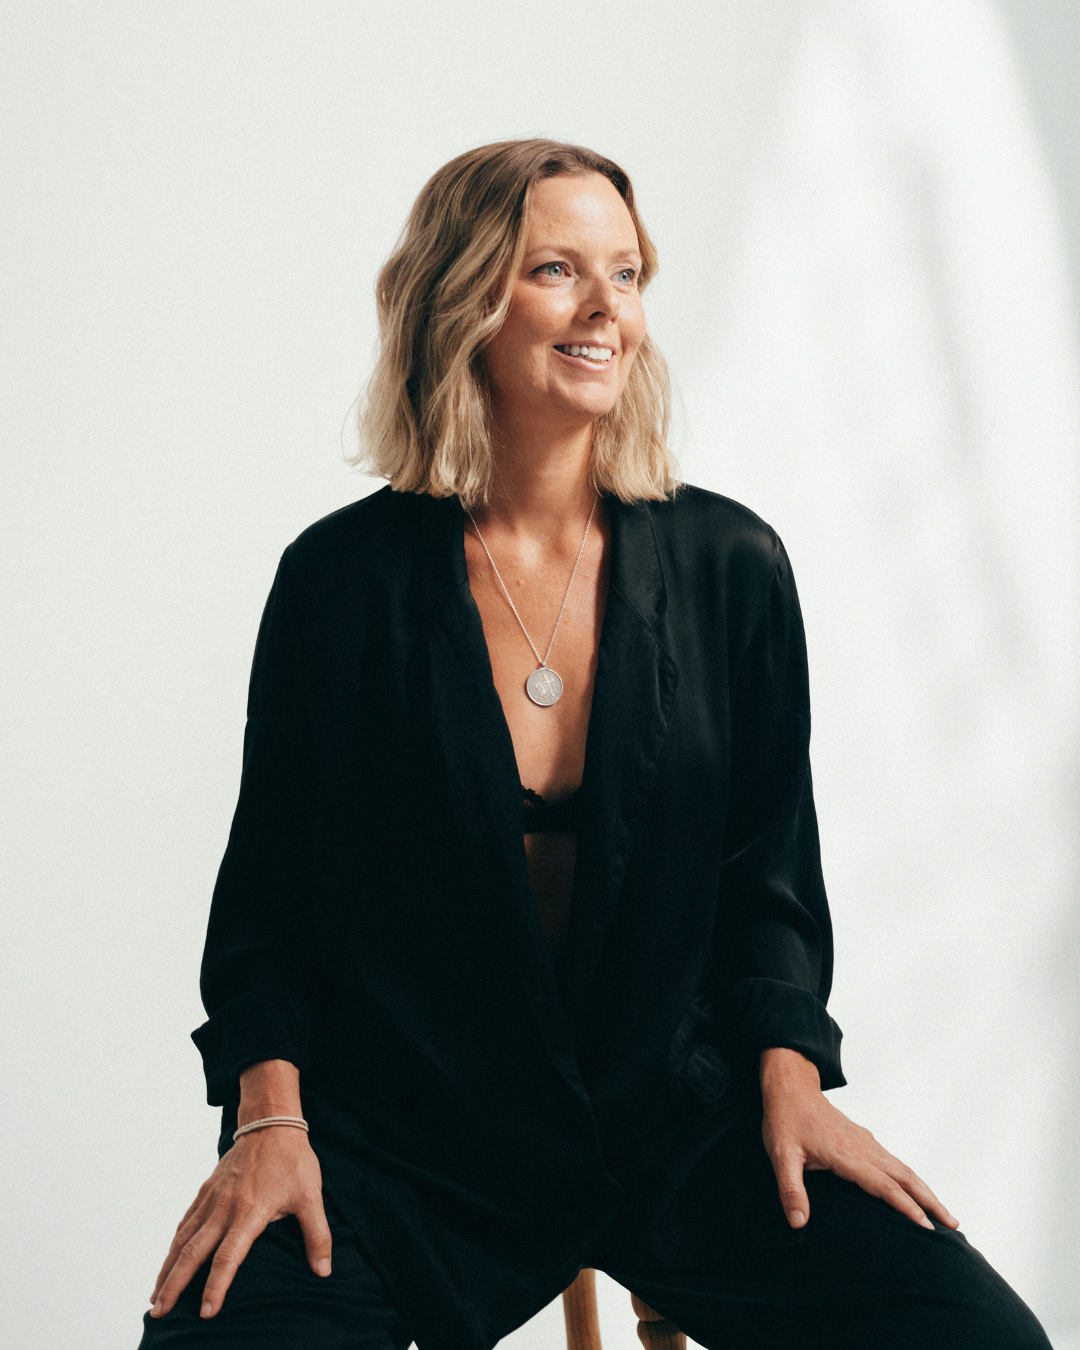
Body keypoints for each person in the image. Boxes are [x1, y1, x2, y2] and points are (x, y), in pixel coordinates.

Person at [140, 139, 1049, 1349]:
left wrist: (791, 1076)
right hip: (403, 1137)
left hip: (675, 1124)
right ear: (463, 302)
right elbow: (268, 911)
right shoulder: (340, 583)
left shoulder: (731, 568)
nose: (605, 306)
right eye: (556, 270)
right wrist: (269, 1123)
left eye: (626, 272)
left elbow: (768, 883)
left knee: (981, 1339)